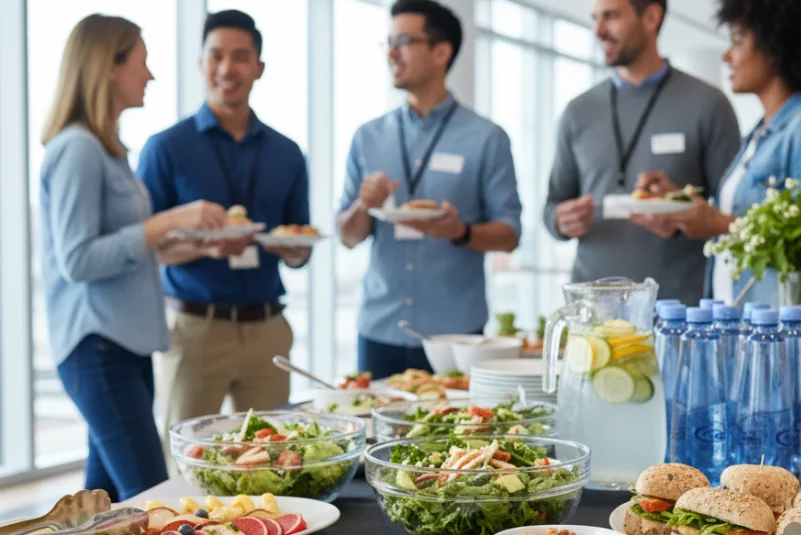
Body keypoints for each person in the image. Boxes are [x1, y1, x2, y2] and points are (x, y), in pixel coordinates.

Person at [40, 14, 229, 500]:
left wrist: (193, 244)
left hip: (123, 348)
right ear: (109, 67)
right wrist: (169, 220)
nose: (150, 75)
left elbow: (127, 249)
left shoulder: (107, 151)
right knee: (154, 498)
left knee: (100, 502)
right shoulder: (78, 149)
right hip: (99, 349)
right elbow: (78, 260)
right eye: (142, 63)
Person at [137, 10, 311, 430]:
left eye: (240, 57)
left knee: (274, 454)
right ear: (201, 63)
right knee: (187, 456)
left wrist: (294, 250)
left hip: (268, 330)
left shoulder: (287, 153)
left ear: (259, 68)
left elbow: (300, 247)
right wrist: (204, 247)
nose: (227, 68)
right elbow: (150, 248)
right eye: (216, 55)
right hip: (196, 330)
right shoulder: (165, 148)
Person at [336, 0, 523, 379]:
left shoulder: (487, 138)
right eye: (388, 42)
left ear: (441, 52)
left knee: (459, 421)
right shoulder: (367, 137)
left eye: (403, 42)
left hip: (457, 335)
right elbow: (347, 236)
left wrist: (461, 232)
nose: (391, 53)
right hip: (380, 329)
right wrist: (362, 206)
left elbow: (509, 235)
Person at [632, 0, 801, 306]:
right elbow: (741, 218)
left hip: (778, 325)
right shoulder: (758, 136)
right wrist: (679, 203)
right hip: (736, 316)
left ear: (774, 49)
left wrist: (718, 223)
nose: (727, 55)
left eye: (737, 41)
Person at [543, 0, 741, 305]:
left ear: (651, 17)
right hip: (592, 309)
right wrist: (560, 221)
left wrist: (680, 208)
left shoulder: (708, 105)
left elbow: (733, 217)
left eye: (611, 16)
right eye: (595, 18)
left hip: (678, 310)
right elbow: (552, 206)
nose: (598, 30)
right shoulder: (577, 111)